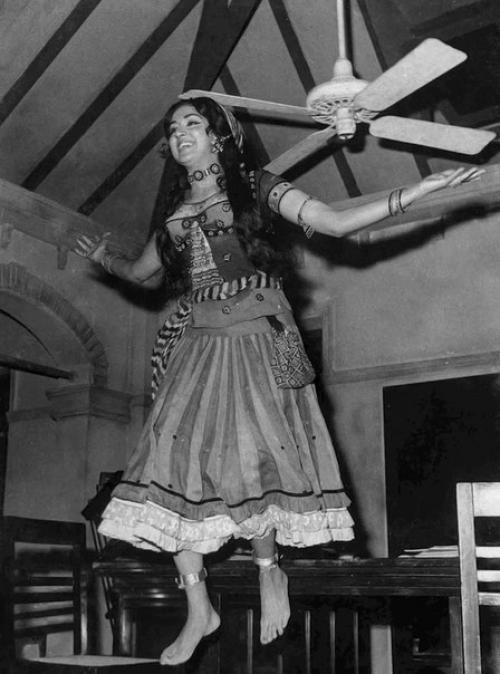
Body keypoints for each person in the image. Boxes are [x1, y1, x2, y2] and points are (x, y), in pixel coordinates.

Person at [75, 96, 482, 665]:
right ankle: (198, 605)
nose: (179, 133)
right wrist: (104, 258)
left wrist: (415, 192)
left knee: (254, 454)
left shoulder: (255, 186)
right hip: (198, 339)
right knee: (166, 458)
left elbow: (333, 221)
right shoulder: (174, 209)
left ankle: (270, 570)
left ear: (220, 136)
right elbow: (143, 273)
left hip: (257, 334)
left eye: (193, 123)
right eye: (172, 128)